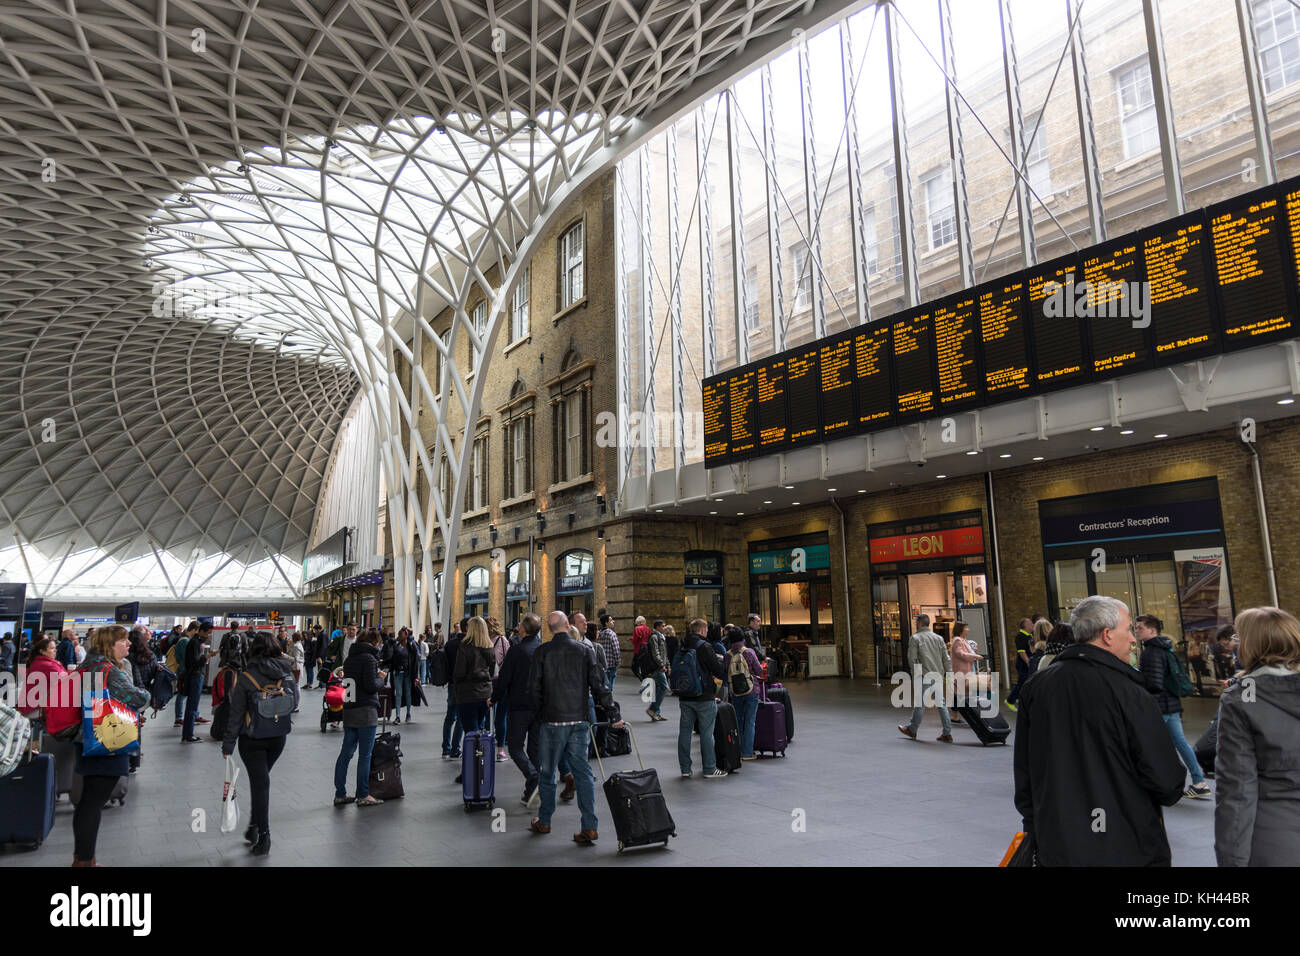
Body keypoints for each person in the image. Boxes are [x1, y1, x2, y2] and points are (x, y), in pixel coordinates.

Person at [1013, 595, 1186, 865]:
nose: (1132, 639)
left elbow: (1025, 773)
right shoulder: (1131, 692)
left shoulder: (1036, 687)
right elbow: (1167, 782)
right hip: (1127, 846)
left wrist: (1036, 828)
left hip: (1057, 845)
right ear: (1106, 635)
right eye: (1128, 629)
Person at [526, 610, 623, 844]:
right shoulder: (585, 650)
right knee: (583, 773)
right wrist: (613, 713)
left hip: (552, 721)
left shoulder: (542, 652)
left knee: (548, 774)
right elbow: (600, 686)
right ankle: (589, 827)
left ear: (549, 629)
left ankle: (545, 820)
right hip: (579, 720)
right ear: (568, 625)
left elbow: (533, 690)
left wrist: (540, 716)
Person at [1215, 606, 1300, 866]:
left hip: (1277, 837)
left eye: (1237, 638)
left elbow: (1237, 788)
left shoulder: (1241, 699)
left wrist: (1232, 860)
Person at [71, 625, 150, 866]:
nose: (128, 644)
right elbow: (137, 697)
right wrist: (144, 695)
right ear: (110, 644)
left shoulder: (87, 665)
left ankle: (83, 857)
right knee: (93, 802)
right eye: (123, 640)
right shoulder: (110, 670)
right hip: (107, 741)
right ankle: (85, 860)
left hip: (87, 739)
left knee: (88, 800)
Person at [220, 631, 299, 855]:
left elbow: (236, 714)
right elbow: (294, 703)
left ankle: (264, 836)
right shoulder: (286, 672)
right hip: (278, 736)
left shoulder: (246, 676)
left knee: (260, 783)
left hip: (252, 738)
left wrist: (228, 745)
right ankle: (254, 827)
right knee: (261, 782)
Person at [1135, 614, 1210, 799]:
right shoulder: (1166, 649)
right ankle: (1198, 781)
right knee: (1180, 743)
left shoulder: (1151, 652)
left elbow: (1154, 683)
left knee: (1151, 746)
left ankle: (1162, 783)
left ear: (1152, 630)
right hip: (1172, 704)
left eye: (1139, 628)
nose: (1136, 631)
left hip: (1159, 707)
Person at [335, 628, 388, 808]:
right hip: (366, 711)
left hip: (350, 709)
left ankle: (340, 793)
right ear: (374, 642)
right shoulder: (369, 659)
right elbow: (371, 686)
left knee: (346, 753)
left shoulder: (349, 659)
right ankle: (363, 794)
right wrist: (381, 678)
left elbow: (349, 686)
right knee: (365, 755)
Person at [494, 612, 543, 807]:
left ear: (523, 629)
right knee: (534, 749)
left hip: (520, 706)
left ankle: (533, 777)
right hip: (539, 706)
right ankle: (531, 792)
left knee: (514, 747)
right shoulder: (543, 649)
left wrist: (494, 698)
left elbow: (505, 678)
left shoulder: (516, 650)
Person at [674, 618, 729, 779]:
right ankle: (710, 768)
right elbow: (717, 670)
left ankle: (685, 768)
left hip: (685, 695)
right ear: (703, 630)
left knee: (684, 731)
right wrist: (719, 660)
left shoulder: (682, 645)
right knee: (706, 732)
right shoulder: (704, 646)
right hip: (704, 696)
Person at [897, 614, 953, 742]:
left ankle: (912, 730)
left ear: (919, 623)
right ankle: (947, 733)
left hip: (924, 675)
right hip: (937, 675)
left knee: (920, 704)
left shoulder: (915, 638)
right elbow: (946, 658)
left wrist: (915, 675)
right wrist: (949, 674)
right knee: (941, 704)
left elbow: (912, 658)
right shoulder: (939, 638)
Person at [724, 625, 764, 760]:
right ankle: (747, 752)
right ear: (742, 637)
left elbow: (725, 672)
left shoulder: (727, 655)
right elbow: (759, 671)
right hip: (751, 690)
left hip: (735, 692)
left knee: (739, 721)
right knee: (750, 722)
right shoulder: (749, 652)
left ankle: (739, 750)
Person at [453, 617, 494, 737]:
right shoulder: (489, 647)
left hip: (468, 694)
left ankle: (474, 755)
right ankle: (479, 753)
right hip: (485, 693)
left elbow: (459, 673)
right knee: (478, 727)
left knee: (471, 732)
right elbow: (492, 670)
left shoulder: (465, 647)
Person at [180, 622, 214, 741]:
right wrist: (207, 656)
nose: (209, 636)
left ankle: (188, 734)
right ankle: (188, 735)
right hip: (195, 676)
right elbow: (195, 662)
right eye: (209, 633)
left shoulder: (196, 642)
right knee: (192, 706)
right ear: (203, 631)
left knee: (192, 706)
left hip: (195, 676)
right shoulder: (195, 643)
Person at [487, 617, 511, 760]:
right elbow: (509, 662)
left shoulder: (481, 641)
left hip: (485, 683)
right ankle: (500, 750)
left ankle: (484, 746)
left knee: (485, 716)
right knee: (501, 717)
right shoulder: (503, 641)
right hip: (500, 682)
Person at [441, 622, 465, 759]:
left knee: (449, 716)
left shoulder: (449, 644)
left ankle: (446, 747)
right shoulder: (468, 645)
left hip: (451, 684)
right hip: (464, 685)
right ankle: (455, 748)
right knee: (461, 719)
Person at [1005, 617, 1033, 711]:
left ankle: (1021, 699)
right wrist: (1028, 662)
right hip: (1023, 664)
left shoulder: (1030, 635)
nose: (1032, 625)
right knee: (1022, 682)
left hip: (1029, 662)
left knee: (1027, 682)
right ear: (1026, 626)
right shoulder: (1020, 636)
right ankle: (1010, 700)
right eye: (1030, 624)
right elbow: (1022, 652)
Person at [388, 628, 415, 724]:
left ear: (406, 636)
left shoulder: (411, 646)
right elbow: (392, 659)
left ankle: (408, 713)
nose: (398, 637)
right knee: (398, 694)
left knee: (408, 693)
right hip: (398, 673)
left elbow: (416, 661)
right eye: (398, 634)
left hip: (408, 674)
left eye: (400, 634)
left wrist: (417, 675)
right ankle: (398, 716)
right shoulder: (396, 646)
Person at [644, 622, 669, 721]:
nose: (664, 627)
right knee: (664, 687)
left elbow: (664, 653)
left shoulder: (662, 637)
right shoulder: (654, 637)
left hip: (660, 666)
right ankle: (652, 709)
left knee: (660, 688)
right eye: (663, 626)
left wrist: (668, 665)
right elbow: (656, 653)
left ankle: (656, 713)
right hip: (656, 667)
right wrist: (662, 665)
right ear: (657, 627)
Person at [596, 613, 620, 694]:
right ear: (606, 623)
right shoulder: (612, 634)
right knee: (610, 686)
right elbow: (616, 649)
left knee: (603, 685)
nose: (613, 621)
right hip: (611, 664)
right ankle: (608, 702)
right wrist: (618, 662)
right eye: (611, 620)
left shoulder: (599, 634)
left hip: (601, 665)